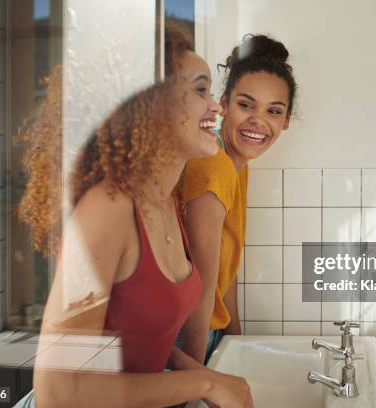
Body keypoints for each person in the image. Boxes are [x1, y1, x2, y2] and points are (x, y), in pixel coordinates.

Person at [15, 26, 253, 408]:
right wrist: (204, 385)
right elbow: (58, 393)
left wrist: (198, 373)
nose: (217, 106)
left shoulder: (165, 202)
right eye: (199, 90)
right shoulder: (107, 208)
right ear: (149, 103)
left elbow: (140, 338)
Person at [179, 34, 297, 363]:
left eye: (274, 111)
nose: (259, 121)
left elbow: (223, 268)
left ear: (285, 120)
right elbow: (200, 285)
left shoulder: (235, 164)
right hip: (186, 339)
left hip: (207, 333)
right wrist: (195, 373)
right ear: (224, 103)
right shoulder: (214, 165)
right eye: (246, 105)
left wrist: (234, 336)